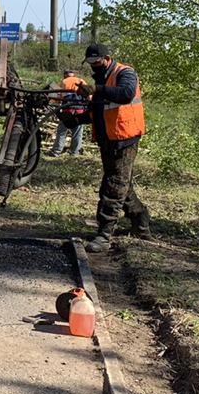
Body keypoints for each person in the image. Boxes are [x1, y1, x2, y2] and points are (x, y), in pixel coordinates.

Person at [75, 43, 151, 253]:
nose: (93, 67)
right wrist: (77, 119)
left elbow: (125, 94)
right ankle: (141, 220)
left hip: (124, 139)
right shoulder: (101, 78)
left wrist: (97, 89)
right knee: (122, 185)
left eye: (96, 62)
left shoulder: (125, 73)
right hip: (108, 138)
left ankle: (105, 235)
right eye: (90, 63)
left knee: (113, 186)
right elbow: (100, 110)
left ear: (107, 58)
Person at [48, 69, 88, 157]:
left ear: (65, 75)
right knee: (77, 132)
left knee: (62, 131)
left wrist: (54, 105)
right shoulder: (82, 81)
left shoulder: (64, 82)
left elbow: (57, 97)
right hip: (80, 111)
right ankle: (74, 152)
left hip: (67, 111)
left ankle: (56, 151)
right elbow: (89, 96)